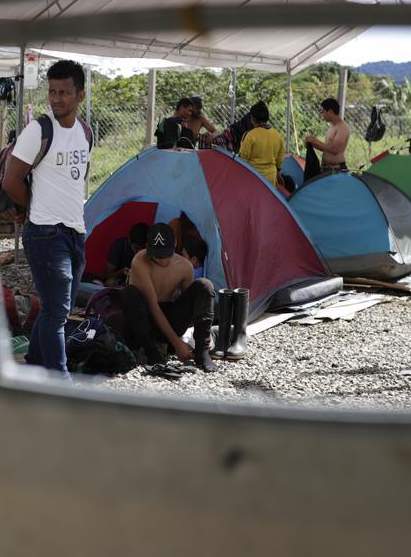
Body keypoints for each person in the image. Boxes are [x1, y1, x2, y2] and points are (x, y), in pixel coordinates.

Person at [2, 60, 92, 377]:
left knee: (58, 307)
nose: (56, 99)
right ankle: (60, 379)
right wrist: (33, 207)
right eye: (52, 92)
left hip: (75, 232)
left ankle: (38, 360)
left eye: (64, 92)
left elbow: (76, 179)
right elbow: (10, 181)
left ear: (80, 95)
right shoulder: (38, 130)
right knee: (57, 312)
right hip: (44, 233)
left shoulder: (85, 132)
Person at [120, 223, 218, 372]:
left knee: (205, 285)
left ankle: (202, 352)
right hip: (144, 321)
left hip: (170, 317)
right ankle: (151, 352)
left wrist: (200, 336)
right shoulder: (140, 260)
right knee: (129, 293)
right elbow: (153, 306)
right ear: (147, 247)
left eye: (166, 254)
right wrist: (178, 343)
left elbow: (191, 306)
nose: (162, 260)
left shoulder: (185, 266)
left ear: (175, 245)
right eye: (157, 255)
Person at [237, 101, 284, 186]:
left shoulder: (250, 135)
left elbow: (243, 160)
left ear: (252, 118)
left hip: (253, 178)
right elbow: (280, 159)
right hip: (271, 178)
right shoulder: (278, 136)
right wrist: (278, 172)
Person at [305, 97, 351, 174]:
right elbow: (326, 148)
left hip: (336, 169)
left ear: (330, 111)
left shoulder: (342, 128)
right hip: (326, 168)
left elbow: (335, 150)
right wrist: (312, 144)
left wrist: (315, 140)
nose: (323, 115)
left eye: (323, 112)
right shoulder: (332, 126)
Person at [102, 222, 148, 287]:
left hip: (138, 284)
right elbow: (107, 275)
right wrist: (121, 272)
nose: (139, 252)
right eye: (136, 248)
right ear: (130, 241)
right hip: (119, 281)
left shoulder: (151, 252)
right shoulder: (119, 246)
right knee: (110, 282)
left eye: (143, 249)